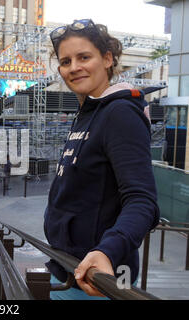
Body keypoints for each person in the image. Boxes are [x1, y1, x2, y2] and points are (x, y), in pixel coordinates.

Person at [44, 19, 159, 299]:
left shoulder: (119, 114)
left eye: (84, 57)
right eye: (66, 61)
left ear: (107, 59)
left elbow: (143, 201)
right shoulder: (89, 112)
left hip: (99, 279)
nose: (73, 67)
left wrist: (107, 250)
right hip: (68, 267)